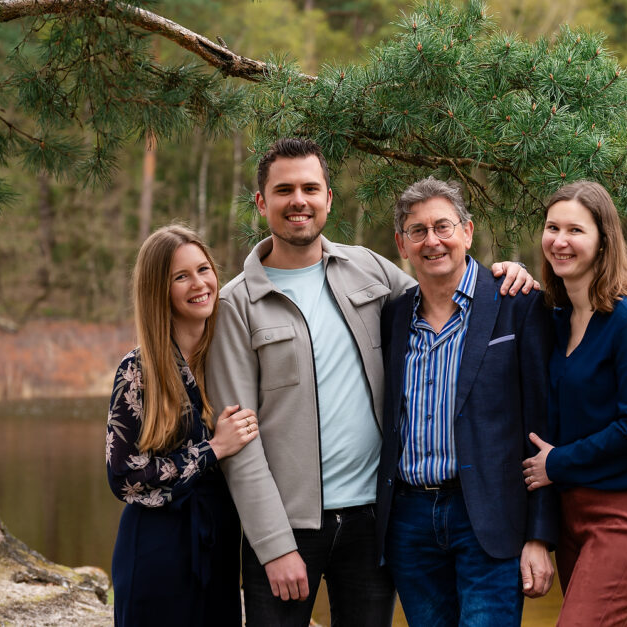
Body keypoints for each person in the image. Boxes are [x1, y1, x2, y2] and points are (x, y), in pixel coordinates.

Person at [205, 137, 536, 627]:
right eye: (284, 190)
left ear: (328, 198)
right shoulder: (236, 304)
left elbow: (445, 288)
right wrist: (273, 547)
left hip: (372, 520)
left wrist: (504, 273)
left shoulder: (367, 269)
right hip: (290, 528)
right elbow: (240, 442)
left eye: (310, 188)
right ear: (262, 202)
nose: (299, 200)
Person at [375, 177, 557, 627]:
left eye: (443, 226)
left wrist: (539, 537)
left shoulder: (518, 303)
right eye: (417, 231)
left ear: (468, 232)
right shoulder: (393, 316)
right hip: (410, 523)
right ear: (402, 243)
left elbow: (544, 426)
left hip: (489, 519)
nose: (432, 241)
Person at [521, 180, 627, 626]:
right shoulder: (554, 319)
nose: (560, 241)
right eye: (552, 227)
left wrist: (557, 463)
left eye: (576, 230)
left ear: (603, 240)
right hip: (573, 510)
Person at [106, 225, 258, 626]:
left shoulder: (229, 360)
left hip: (220, 539)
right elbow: (124, 476)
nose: (200, 283)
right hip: (156, 546)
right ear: (159, 290)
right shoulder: (137, 371)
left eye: (204, 269)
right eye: (181, 276)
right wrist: (214, 449)